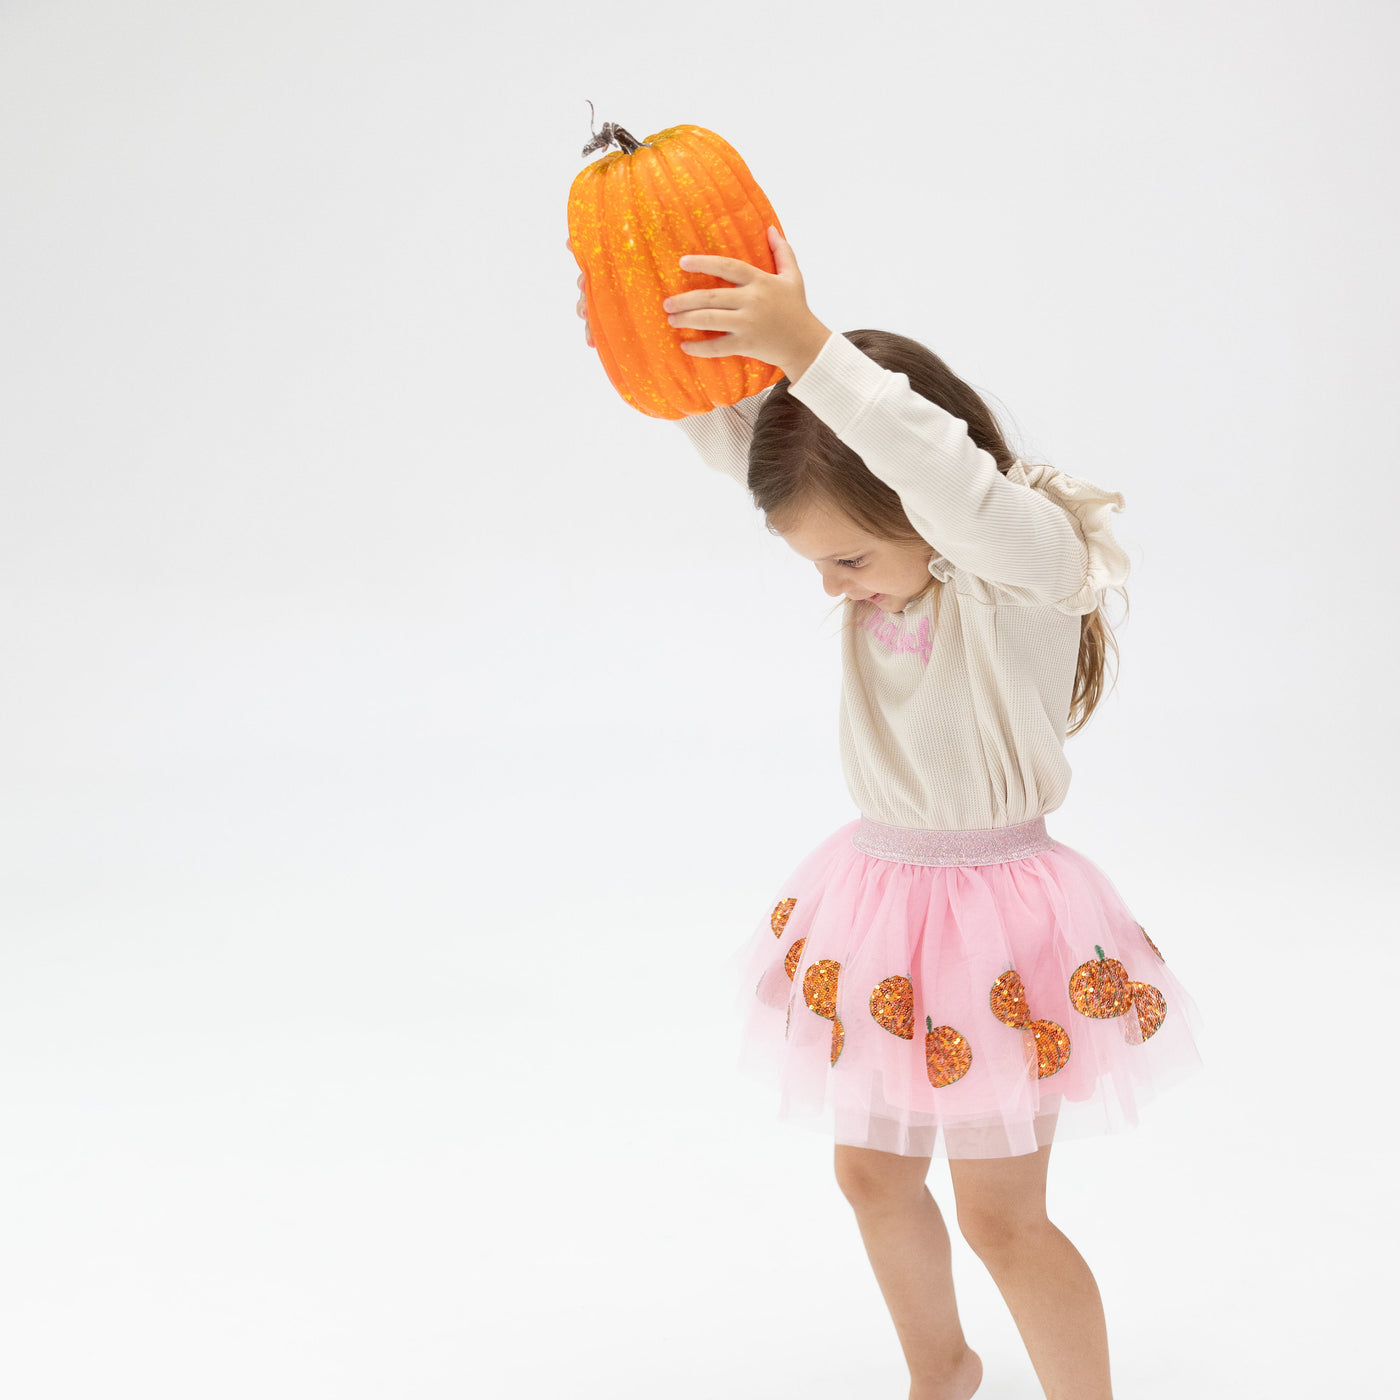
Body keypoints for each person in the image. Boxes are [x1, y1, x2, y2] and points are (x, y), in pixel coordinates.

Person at [566, 228, 1205, 1400]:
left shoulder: (1021, 559)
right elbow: (734, 436)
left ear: (915, 508)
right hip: (880, 894)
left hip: (1001, 912)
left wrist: (810, 347)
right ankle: (940, 1369)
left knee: (1000, 1217)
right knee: (868, 1172)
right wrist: (640, 333)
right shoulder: (889, 544)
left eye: (850, 557)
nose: (833, 586)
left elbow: (943, 477)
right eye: (817, 565)